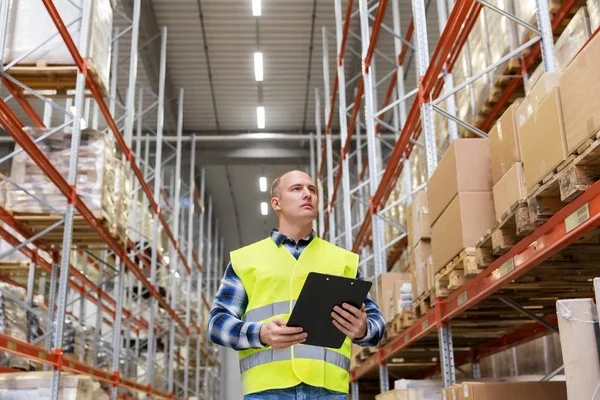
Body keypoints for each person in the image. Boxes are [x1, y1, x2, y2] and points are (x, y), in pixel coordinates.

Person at [208, 170, 385, 399]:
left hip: (328, 392)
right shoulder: (246, 260)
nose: (307, 195)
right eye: (297, 189)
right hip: (268, 392)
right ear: (276, 203)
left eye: (312, 190)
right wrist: (261, 333)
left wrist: (363, 329)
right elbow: (217, 324)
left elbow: (376, 323)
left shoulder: (342, 261)